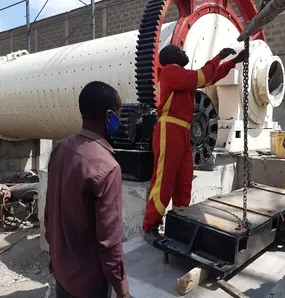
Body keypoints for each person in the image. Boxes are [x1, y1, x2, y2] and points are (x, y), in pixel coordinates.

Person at [143, 44, 247, 244]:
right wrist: (217, 56)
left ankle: (179, 222)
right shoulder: (170, 71)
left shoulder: (180, 75)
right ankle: (150, 226)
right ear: (171, 56)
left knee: (184, 181)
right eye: (180, 51)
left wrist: (233, 62)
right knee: (164, 180)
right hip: (169, 129)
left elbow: (210, 77)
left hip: (182, 131)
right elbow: (200, 77)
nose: (184, 52)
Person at [44, 81, 133, 298]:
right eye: (118, 115)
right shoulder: (107, 167)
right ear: (109, 116)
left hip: (62, 274)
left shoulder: (60, 149)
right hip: (88, 285)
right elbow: (110, 242)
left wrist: (55, 257)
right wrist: (123, 291)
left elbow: (49, 215)